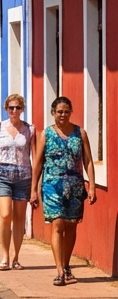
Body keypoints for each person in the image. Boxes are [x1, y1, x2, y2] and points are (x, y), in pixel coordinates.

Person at [32, 95, 96, 287]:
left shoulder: (80, 133)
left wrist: (91, 185)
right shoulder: (45, 134)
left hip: (75, 186)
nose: (63, 115)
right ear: (53, 113)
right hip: (52, 185)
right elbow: (37, 164)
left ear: (71, 112)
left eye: (66, 111)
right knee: (58, 224)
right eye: (59, 112)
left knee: (71, 226)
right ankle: (59, 270)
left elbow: (88, 161)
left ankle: (67, 266)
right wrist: (33, 190)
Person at [0, 93, 35, 271]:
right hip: (1, 173)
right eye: (11, 108)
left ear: (22, 109)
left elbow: (34, 157)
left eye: (17, 108)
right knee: (6, 215)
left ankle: (16, 257)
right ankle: (4, 256)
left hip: (23, 176)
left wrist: (35, 185)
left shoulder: (29, 129)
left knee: (20, 218)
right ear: (6, 109)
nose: (14, 111)